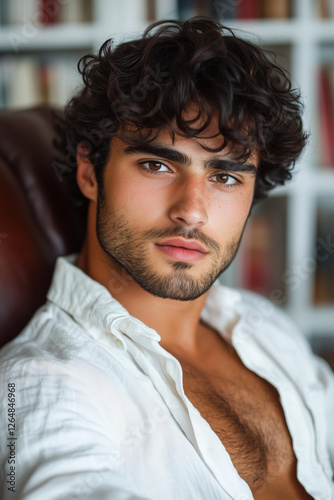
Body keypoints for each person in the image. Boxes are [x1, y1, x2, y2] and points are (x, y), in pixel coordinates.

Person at [0, 16, 333, 500]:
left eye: (225, 177)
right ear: (90, 172)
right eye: (156, 164)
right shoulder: (43, 381)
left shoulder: (263, 326)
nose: (191, 211)